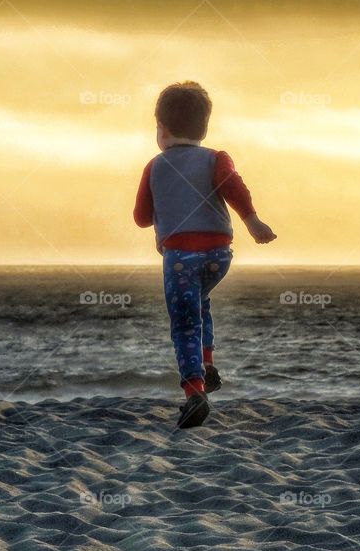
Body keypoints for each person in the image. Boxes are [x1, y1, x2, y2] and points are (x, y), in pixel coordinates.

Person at [133, 81, 277, 428]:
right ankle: (208, 364)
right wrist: (252, 221)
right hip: (218, 254)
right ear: (204, 127)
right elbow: (234, 187)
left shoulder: (155, 166)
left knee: (184, 323)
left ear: (162, 130)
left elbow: (140, 218)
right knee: (201, 300)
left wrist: (165, 203)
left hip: (181, 256)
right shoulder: (216, 158)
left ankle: (194, 392)